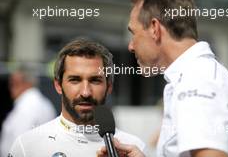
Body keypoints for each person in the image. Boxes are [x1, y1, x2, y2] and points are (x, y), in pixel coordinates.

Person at [98, 0, 228, 157]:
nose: (130, 45)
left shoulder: (197, 79)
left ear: (154, 28)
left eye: (133, 33)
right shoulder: (197, 75)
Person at [8, 39, 145, 157]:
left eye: (95, 80)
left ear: (109, 87)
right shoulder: (27, 146)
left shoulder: (133, 148)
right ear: (58, 85)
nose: (85, 92)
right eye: (75, 80)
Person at [0, 63, 56, 157]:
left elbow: (20, 144)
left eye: (14, 83)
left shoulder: (28, 106)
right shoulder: (39, 102)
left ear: (26, 82)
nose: (11, 88)